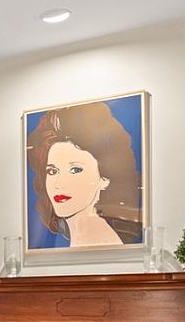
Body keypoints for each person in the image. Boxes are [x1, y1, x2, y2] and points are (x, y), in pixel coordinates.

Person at [26, 101, 140, 247]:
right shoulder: (78, 239)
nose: (59, 184)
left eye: (75, 170)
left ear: (104, 178)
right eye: (52, 171)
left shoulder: (101, 241)